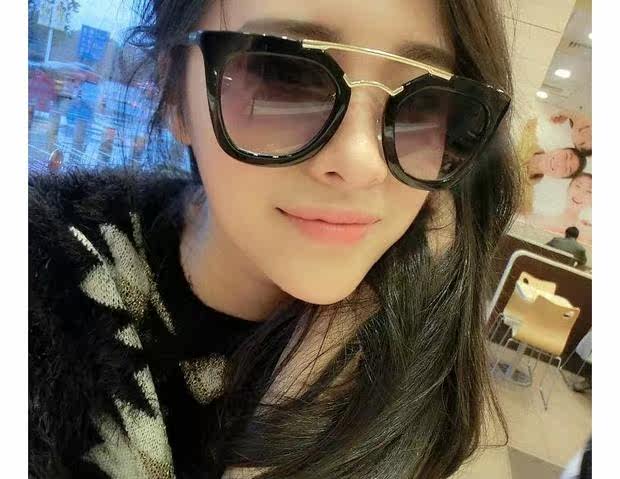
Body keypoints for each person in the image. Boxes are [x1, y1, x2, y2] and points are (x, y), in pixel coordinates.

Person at [28, 1, 520, 478]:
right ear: (175, 95)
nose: (361, 163)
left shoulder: (438, 379)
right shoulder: (37, 290)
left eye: (427, 101)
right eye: (284, 75)